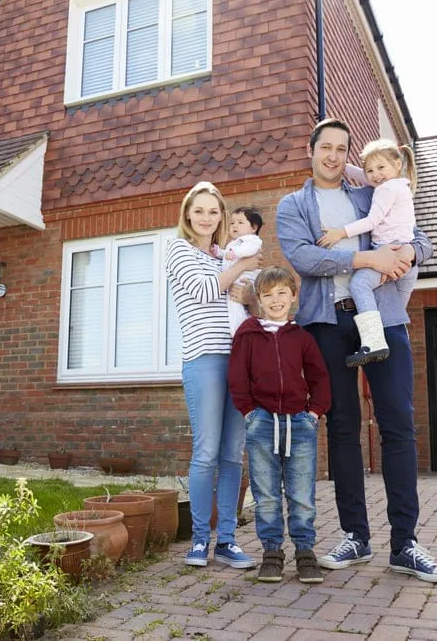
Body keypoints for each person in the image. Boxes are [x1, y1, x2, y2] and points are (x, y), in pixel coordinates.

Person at [276, 118, 437, 583]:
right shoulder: (293, 205)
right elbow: (305, 258)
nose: (333, 156)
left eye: (341, 148)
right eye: (325, 147)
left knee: (398, 422)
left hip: (384, 316)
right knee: (342, 427)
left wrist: (411, 254)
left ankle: (405, 544)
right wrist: (367, 258)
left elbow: (419, 237)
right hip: (329, 322)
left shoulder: (368, 192)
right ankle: (355, 535)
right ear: (310, 150)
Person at [165, 181, 261, 569]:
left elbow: (249, 302)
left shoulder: (226, 254)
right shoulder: (179, 249)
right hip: (203, 359)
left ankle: (228, 541)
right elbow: (205, 292)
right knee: (206, 452)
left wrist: (247, 285)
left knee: (232, 453)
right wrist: (241, 267)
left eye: (214, 211)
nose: (207, 218)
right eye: (200, 210)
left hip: (237, 359)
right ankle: (199, 541)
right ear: (188, 214)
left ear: (222, 217)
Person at [228, 266, 331, 584]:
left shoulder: (302, 337)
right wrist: (248, 412)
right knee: (267, 494)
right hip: (261, 422)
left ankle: (305, 552)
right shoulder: (247, 333)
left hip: (299, 424)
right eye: (268, 295)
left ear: (293, 296)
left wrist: (314, 413)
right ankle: (272, 553)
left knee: (301, 493)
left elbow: (319, 377)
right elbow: (237, 376)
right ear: (258, 299)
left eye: (282, 293)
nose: (275, 300)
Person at [317, 139, 419, 367]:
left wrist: (339, 233)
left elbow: (372, 220)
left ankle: (373, 342)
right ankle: (386, 342)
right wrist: (343, 165)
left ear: (396, 164)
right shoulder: (399, 184)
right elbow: (366, 178)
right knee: (393, 318)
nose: (375, 175)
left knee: (359, 285)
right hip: (406, 260)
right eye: (370, 170)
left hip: (391, 254)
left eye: (381, 168)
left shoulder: (385, 190)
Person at [224, 206, 264, 336]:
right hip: (235, 279)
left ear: (254, 228)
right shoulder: (233, 243)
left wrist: (234, 253)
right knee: (235, 305)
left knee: (235, 305)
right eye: (232, 223)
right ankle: (240, 331)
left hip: (243, 280)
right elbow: (226, 256)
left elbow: (249, 250)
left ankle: (239, 332)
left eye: (240, 222)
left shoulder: (252, 240)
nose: (235, 226)